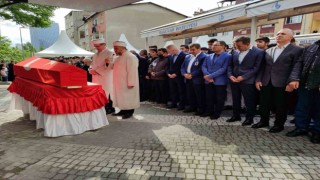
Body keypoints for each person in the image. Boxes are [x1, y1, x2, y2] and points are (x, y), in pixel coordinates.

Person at [253, 28, 304, 133]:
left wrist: (292, 81)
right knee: (264, 103)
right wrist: (258, 80)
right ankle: (264, 121)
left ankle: (279, 124)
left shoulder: (297, 50)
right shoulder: (269, 50)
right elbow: (263, 67)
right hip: (266, 81)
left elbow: (297, 67)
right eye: (277, 34)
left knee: (281, 105)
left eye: (283, 34)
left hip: (283, 83)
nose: (279, 35)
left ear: (290, 37)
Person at [286, 39, 320, 143]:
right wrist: (294, 78)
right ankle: (301, 128)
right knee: (302, 107)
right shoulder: (311, 47)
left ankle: (317, 132)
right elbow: (299, 64)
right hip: (305, 83)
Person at [227, 36, 264, 126]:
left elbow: (257, 68)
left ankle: (249, 118)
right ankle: (236, 115)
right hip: (234, 80)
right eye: (235, 46)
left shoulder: (259, 52)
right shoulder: (234, 51)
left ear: (247, 44)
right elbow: (230, 66)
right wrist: (230, 75)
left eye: (239, 46)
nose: (237, 48)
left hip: (248, 81)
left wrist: (243, 77)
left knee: (249, 101)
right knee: (235, 99)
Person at [111, 41, 140, 119]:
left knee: (128, 97)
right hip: (119, 82)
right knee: (121, 98)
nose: (115, 50)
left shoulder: (131, 57)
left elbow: (132, 71)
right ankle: (122, 110)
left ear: (122, 48)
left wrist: (131, 82)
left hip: (127, 82)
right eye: (114, 48)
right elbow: (111, 68)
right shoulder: (117, 58)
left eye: (116, 49)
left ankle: (129, 112)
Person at [202, 41, 230, 119]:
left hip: (220, 81)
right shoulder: (208, 56)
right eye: (212, 45)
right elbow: (204, 66)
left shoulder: (228, 56)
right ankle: (209, 111)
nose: (213, 47)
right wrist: (207, 76)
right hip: (208, 80)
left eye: (215, 45)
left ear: (223, 46)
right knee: (209, 97)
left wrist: (210, 76)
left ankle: (217, 113)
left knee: (219, 98)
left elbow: (224, 69)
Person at [89, 38, 115, 114]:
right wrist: (90, 70)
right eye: (95, 46)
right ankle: (99, 109)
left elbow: (110, 66)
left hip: (105, 77)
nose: (96, 48)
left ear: (104, 45)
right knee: (97, 93)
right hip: (95, 77)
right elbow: (91, 64)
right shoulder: (94, 55)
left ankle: (106, 109)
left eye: (98, 46)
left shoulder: (110, 53)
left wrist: (96, 71)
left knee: (105, 93)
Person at [181, 43, 207, 115]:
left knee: (199, 95)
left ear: (199, 49)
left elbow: (201, 68)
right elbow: (182, 67)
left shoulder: (204, 57)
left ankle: (200, 109)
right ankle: (192, 107)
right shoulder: (187, 57)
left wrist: (192, 74)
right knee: (190, 94)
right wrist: (184, 74)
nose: (191, 51)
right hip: (188, 78)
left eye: (193, 49)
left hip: (197, 79)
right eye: (190, 49)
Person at [166, 44, 188, 110]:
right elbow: (168, 66)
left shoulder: (184, 55)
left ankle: (182, 105)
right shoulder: (170, 56)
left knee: (181, 91)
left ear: (173, 50)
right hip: (171, 77)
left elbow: (183, 67)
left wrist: (176, 74)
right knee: (173, 91)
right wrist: (168, 74)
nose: (169, 53)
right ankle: (174, 103)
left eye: (169, 52)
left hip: (179, 77)